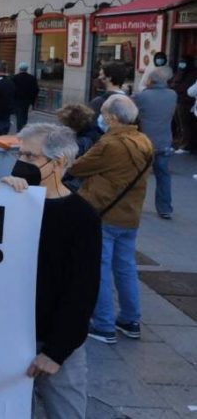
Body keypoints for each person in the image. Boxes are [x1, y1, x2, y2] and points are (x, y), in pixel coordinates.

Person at [0, 123, 101, 419]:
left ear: (58, 163)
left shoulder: (81, 217)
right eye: (19, 155)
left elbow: (82, 290)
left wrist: (56, 352)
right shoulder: (10, 203)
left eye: (30, 157)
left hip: (54, 344)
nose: (21, 163)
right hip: (8, 338)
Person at [69, 95, 153, 345]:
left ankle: (104, 324)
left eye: (104, 115)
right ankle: (130, 319)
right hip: (130, 214)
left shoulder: (110, 144)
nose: (101, 119)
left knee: (100, 268)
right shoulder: (144, 141)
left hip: (104, 212)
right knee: (125, 267)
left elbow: (77, 168)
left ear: (112, 118)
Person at [133, 66, 177, 219]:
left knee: (139, 176)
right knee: (163, 176)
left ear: (150, 80)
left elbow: (131, 110)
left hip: (145, 142)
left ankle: (134, 205)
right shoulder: (172, 95)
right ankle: (165, 208)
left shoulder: (143, 96)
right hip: (164, 141)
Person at [170, 56, 197, 153]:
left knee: (185, 125)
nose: (181, 64)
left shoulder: (192, 74)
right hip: (177, 101)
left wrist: (175, 88)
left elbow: (187, 89)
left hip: (186, 103)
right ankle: (178, 142)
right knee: (177, 123)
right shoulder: (179, 72)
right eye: (180, 62)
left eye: (184, 62)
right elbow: (172, 84)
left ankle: (185, 145)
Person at [12, 62, 40, 131]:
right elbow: (36, 90)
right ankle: (23, 128)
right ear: (27, 69)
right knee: (24, 115)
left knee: (19, 116)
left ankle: (20, 130)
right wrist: (32, 101)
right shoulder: (32, 78)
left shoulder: (15, 78)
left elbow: (11, 90)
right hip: (27, 101)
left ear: (19, 69)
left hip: (17, 100)